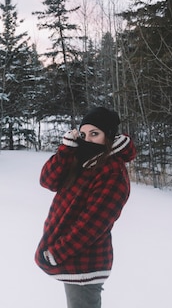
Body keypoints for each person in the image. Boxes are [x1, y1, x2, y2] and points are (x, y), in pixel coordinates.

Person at [34, 107, 137, 308]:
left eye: (94, 134)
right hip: (75, 260)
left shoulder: (111, 170)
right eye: (83, 134)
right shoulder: (84, 161)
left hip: (85, 262)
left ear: (108, 136)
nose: (87, 140)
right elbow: (48, 181)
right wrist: (66, 149)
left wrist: (58, 252)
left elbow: (93, 223)